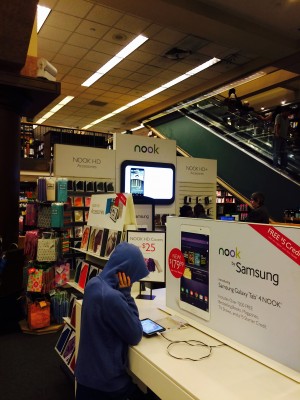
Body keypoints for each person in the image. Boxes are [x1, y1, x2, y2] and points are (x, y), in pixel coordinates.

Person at [75, 241, 150, 400]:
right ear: (126, 273)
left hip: (86, 379)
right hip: (107, 385)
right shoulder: (112, 298)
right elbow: (135, 334)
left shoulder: (93, 283)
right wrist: (127, 294)